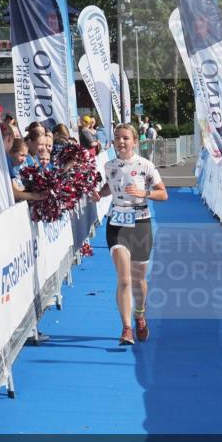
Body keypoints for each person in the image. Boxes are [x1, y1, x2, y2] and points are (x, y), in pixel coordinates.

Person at [92, 123, 169, 346]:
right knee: (124, 279)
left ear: (134, 141)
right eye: (117, 137)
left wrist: (144, 192)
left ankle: (140, 314)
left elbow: (163, 194)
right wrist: (99, 194)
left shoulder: (145, 165)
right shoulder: (109, 166)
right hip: (116, 223)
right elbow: (110, 186)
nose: (121, 141)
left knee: (138, 280)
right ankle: (126, 328)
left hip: (140, 223)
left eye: (125, 138)